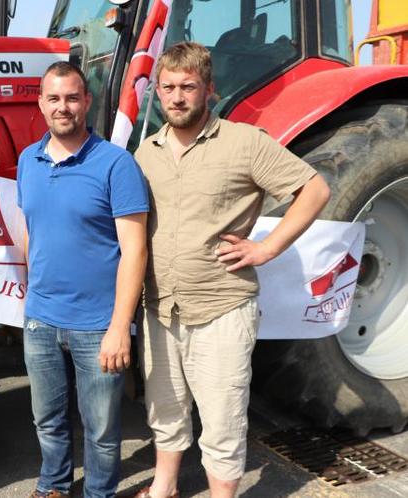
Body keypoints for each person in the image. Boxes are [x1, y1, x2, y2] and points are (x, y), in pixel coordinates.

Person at [133, 42, 330, 498]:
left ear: (209, 90)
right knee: (165, 407)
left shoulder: (245, 143)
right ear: (158, 93)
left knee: (222, 415)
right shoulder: (147, 152)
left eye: (188, 87)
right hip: (161, 307)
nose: (178, 97)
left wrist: (267, 248)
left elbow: (314, 189)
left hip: (221, 305)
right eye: (168, 88)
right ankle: (165, 486)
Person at [16, 61, 149, 498]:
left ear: (87, 102)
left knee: (102, 429)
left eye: (72, 97)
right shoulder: (27, 161)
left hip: (98, 325)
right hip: (41, 320)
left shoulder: (116, 164)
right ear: (40, 104)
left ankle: (99, 493)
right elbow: (32, 232)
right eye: (54, 98)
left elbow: (135, 249)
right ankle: (53, 485)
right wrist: (29, 303)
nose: (63, 107)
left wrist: (119, 327)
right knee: (47, 419)